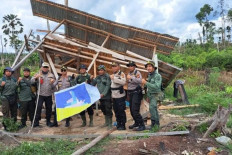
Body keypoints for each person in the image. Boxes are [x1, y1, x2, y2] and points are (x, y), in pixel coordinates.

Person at [31, 62, 57, 127]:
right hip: (40, 94)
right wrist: (36, 78)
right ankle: (36, 122)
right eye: (44, 67)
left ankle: (48, 121)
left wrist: (53, 83)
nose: (45, 68)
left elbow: (53, 86)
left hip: (48, 95)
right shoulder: (38, 74)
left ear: (48, 68)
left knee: (49, 108)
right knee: (38, 108)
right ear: (42, 67)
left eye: (46, 67)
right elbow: (31, 81)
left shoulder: (51, 75)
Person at [142, 61, 163, 129]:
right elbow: (149, 87)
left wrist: (146, 83)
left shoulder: (157, 76)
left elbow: (157, 86)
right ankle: (155, 125)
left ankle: (155, 125)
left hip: (156, 94)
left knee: (152, 108)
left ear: (154, 67)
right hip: (151, 95)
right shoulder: (149, 75)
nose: (148, 68)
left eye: (150, 66)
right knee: (153, 109)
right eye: (147, 67)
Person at [92, 65, 112, 129]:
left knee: (108, 109)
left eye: (101, 70)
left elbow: (107, 86)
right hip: (100, 97)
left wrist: (103, 93)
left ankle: (110, 123)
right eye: (99, 70)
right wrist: (91, 79)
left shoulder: (107, 77)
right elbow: (92, 84)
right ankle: (106, 122)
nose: (100, 71)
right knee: (103, 109)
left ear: (104, 70)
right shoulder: (97, 78)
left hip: (107, 96)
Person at [126, 61, 145, 131]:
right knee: (131, 109)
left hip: (136, 93)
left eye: (131, 66)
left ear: (134, 66)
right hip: (131, 92)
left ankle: (142, 125)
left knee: (135, 110)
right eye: (129, 66)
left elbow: (139, 81)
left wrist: (131, 78)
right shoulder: (129, 73)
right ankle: (136, 122)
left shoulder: (137, 73)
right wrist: (129, 78)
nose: (130, 67)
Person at [110, 62, 127, 130]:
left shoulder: (121, 74)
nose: (113, 68)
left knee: (121, 110)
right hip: (114, 95)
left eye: (115, 66)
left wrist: (114, 78)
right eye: (112, 66)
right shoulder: (113, 74)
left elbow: (123, 82)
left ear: (119, 67)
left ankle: (123, 125)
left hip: (120, 96)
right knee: (116, 110)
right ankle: (118, 123)